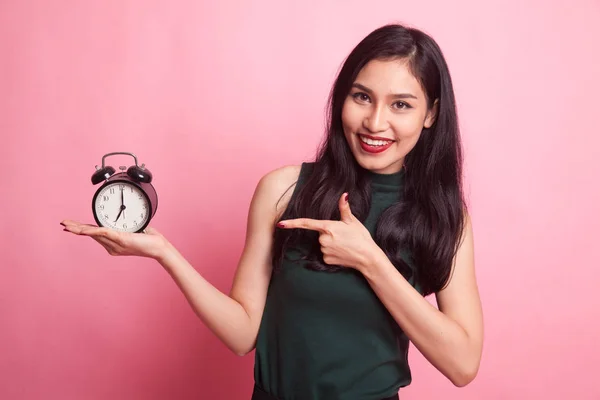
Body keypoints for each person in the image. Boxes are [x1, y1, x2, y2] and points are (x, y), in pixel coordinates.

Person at [61, 23, 483, 400]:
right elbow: (243, 333)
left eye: (401, 105)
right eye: (362, 97)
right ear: (342, 98)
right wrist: (164, 253)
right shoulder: (283, 189)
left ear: (431, 114)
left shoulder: (443, 217)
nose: (375, 121)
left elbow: (462, 365)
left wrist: (371, 261)